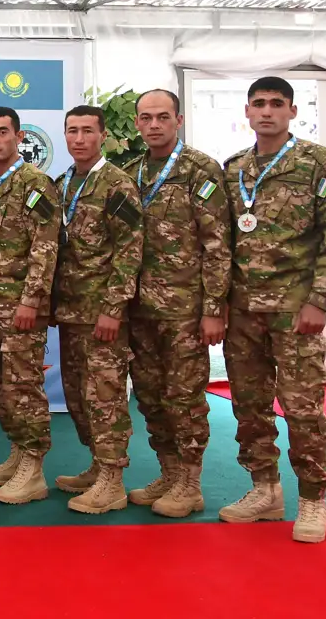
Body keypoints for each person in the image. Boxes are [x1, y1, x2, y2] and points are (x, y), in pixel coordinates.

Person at [219, 76, 326, 544]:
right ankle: (265, 490)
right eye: (259, 103)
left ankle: (313, 498)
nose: (267, 111)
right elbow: (224, 241)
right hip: (243, 311)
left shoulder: (317, 163)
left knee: (302, 408)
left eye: (277, 103)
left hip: (295, 311)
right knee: (249, 407)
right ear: (247, 111)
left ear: (292, 111)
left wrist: (320, 300)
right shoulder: (234, 168)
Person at [122, 89, 230, 518]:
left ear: (178, 121)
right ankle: (168, 472)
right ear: (136, 123)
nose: (154, 125)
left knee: (184, 397)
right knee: (150, 396)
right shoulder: (130, 173)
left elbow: (217, 244)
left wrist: (213, 309)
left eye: (163, 117)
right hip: (140, 308)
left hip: (185, 309)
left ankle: (190, 482)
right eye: (146, 118)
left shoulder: (200, 169)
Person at [52, 105, 142, 514]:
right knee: (78, 396)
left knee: (105, 395)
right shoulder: (63, 184)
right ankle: (97, 464)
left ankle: (113, 480)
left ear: (103, 135)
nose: (79, 139)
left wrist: (114, 307)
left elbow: (130, 248)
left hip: (102, 313)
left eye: (88, 131)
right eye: (72, 131)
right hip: (70, 311)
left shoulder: (116, 184)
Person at [0, 106, 59, 505]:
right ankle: (18, 453)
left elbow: (45, 246)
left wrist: (32, 301)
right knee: (2, 387)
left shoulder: (34, 183)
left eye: (2, 132)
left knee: (24, 386)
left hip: (21, 306)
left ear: (19, 137)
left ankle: (34, 469)